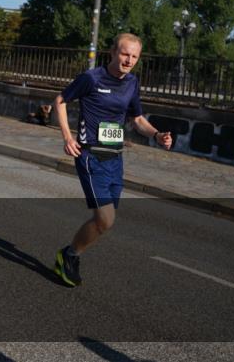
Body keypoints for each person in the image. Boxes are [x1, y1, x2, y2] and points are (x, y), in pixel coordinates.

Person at [52, 33, 173, 288]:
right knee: (105, 219)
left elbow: (137, 119)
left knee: (104, 222)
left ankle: (70, 254)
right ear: (113, 52)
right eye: (124, 54)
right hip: (90, 156)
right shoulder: (91, 78)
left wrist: (157, 135)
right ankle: (70, 256)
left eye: (134, 56)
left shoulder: (131, 82)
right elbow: (60, 101)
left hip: (115, 158)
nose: (128, 60)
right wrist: (67, 137)